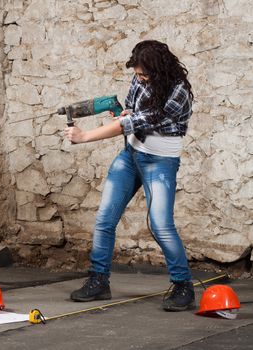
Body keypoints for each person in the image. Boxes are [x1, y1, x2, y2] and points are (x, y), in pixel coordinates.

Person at [64, 40, 195, 311]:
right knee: (104, 220)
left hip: (160, 162)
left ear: (161, 69)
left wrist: (85, 136)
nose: (140, 78)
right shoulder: (139, 79)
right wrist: (128, 112)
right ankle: (98, 282)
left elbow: (138, 121)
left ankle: (183, 286)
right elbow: (133, 113)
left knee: (161, 225)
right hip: (131, 156)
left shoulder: (179, 91)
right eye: (137, 74)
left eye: (144, 74)